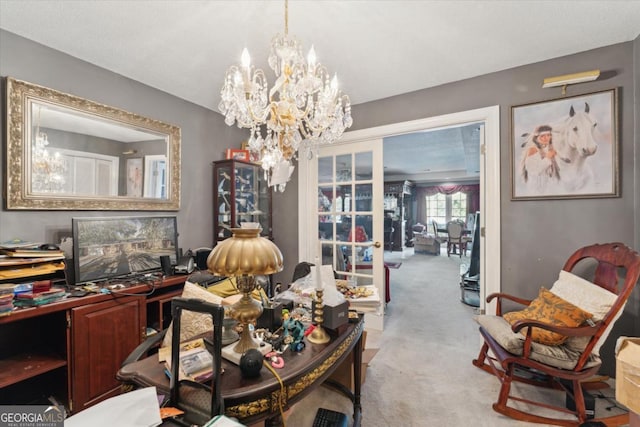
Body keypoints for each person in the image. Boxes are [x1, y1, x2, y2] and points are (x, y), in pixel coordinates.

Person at [520, 124, 560, 193]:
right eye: (542, 136)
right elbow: (534, 170)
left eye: (548, 135)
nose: (546, 138)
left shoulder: (550, 149)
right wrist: (548, 157)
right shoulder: (532, 150)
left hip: (550, 187)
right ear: (536, 138)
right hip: (536, 188)